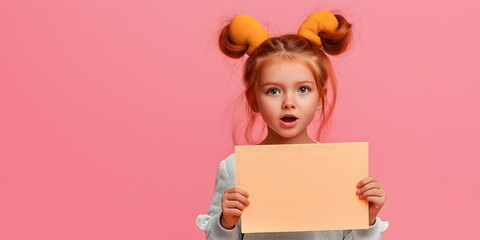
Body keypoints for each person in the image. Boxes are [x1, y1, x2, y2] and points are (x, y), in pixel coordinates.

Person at [196, 10, 389, 240]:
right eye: (273, 91)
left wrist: (366, 221)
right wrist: (225, 223)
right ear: (254, 100)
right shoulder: (235, 168)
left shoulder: (340, 168)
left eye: (303, 89)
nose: (289, 102)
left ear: (319, 98)